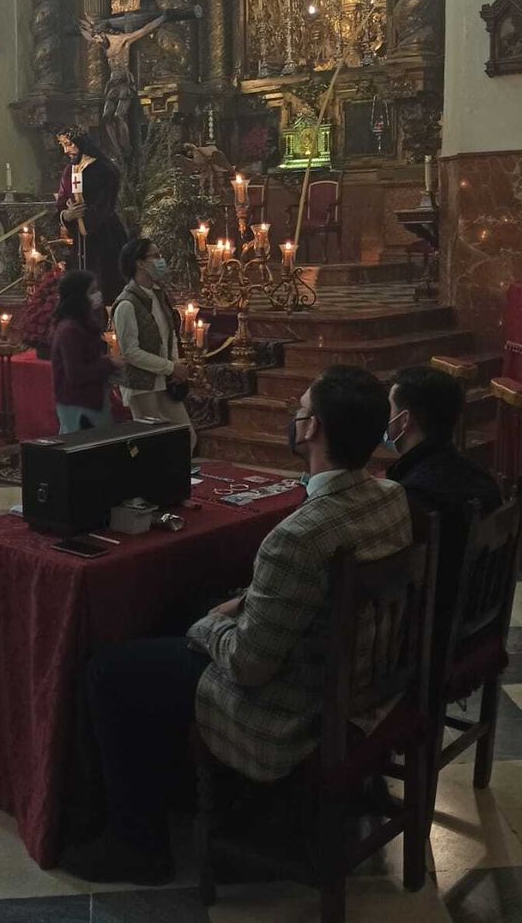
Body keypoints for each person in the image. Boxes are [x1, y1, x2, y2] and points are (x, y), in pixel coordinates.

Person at [65, 365, 412, 884]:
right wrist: (240, 604)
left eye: (298, 411)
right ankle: (183, 788)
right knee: (183, 617)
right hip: (362, 686)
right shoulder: (391, 496)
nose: (294, 420)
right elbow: (318, 590)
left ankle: (137, 844)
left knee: (109, 671)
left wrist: (207, 624)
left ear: (312, 428)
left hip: (294, 709)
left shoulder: (295, 537)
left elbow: (249, 667)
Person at [386, 366, 504, 621]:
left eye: (390, 409)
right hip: (477, 621)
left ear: (404, 421)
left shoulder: (418, 497)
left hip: (432, 636)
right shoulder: (484, 479)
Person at [111, 235, 195, 447]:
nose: (161, 260)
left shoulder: (158, 295)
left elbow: (169, 335)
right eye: (155, 256)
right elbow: (130, 351)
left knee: (186, 438)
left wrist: (176, 366)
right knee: (155, 445)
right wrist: (169, 367)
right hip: (142, 385)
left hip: (165, 380)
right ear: (140, 263)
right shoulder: (126, 304)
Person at [56, 128, 127, 303]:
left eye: (69, 144)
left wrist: (84, 222)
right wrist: (67, 215)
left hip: (104, 235)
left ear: (81, 142)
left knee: (107, 283)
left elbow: (105, 204)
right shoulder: (68, 171)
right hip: (80, 241)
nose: (66, 151)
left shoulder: (105, 169)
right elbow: (61, 201)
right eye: (63, 145)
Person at [50, 268, 123, 433]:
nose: (97, 295)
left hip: (92, 401)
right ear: (78, 296)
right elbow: (76, 373)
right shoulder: (69, 330)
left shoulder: (83, 324)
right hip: (79, 405)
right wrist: (109, 362)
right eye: (92, 291)